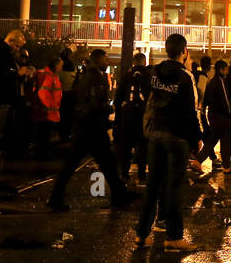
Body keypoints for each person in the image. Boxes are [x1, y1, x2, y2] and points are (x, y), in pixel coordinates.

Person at [135, 34, 202, 251]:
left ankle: (141, 234)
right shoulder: (186, 77)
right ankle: (173, 236)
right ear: (184, 51)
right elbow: (192, 112)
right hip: (177, 136)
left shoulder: (154, 72)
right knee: (173, 188)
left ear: (166, 49)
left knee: (153, 185)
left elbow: (148, 96)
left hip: (155, 134)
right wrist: (196, 140)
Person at [47, 49, 134, 211]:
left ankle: (118, 194)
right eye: (105, 58)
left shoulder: (85, 77)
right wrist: (109, 110)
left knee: (89, 163)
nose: (107, 62)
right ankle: (118, 195)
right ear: (98, 60)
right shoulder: (96, 79)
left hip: (85, 126)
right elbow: (95, 104)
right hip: (93, 127)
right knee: (103, 163)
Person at [0, 30, 34, 195]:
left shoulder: (3, 55)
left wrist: (19, 75)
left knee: (0, 143)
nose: (17, 49)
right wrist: (17, 74)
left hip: (5, 104)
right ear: (10, 40)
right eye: (17, 45)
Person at [113, 52, 149, 186]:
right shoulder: (148, 77)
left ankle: (124, 174)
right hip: (142, 116)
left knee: (126, 146)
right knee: (142, 146)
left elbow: (118, 99)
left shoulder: (126, 77)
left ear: (134, 62)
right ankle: (141, 174)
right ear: (144, 62)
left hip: (127, 116)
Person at [203, 59, 231, 172]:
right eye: (226, 68)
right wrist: (230, 114)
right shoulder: (220, 81)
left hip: (213, 115)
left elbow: (206, 99)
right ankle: (227, 166)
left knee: (213, 140)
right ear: (221, 69)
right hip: (221, 116)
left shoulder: (212, 81)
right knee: (225, 140)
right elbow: (225, 100)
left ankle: (198, 160)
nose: (227, 71)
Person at [29, 55, 64, 161]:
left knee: (44, 134)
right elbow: (43, 92)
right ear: (55, 65)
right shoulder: (48, 75)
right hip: (45, 111)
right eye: (60, 66)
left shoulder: (50, 75)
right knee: (43, 135)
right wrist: (46, 106)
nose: (61, 68)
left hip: (47, 111)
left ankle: (42, 153)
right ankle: (42, 155)